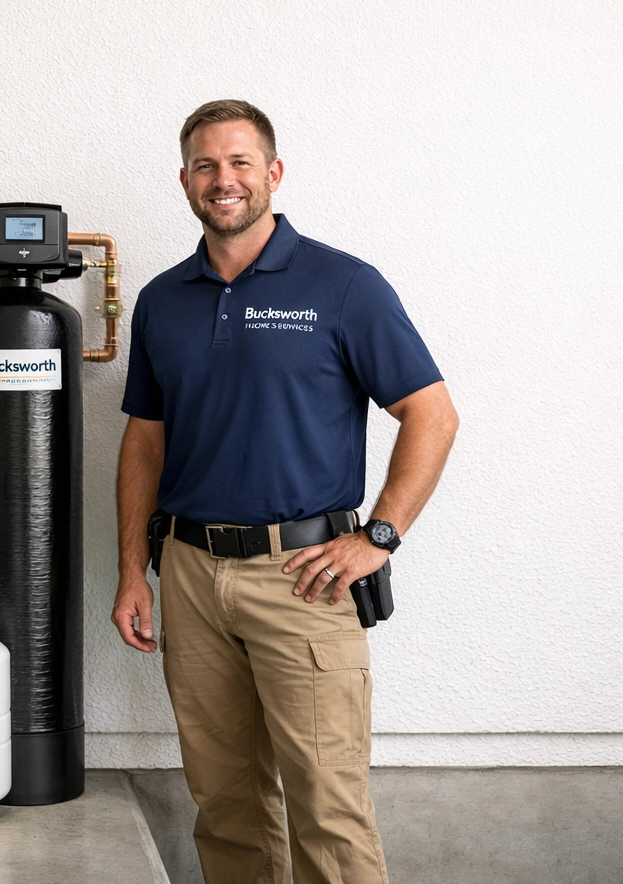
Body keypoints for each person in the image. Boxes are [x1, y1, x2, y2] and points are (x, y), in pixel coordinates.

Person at [111, 100, 459, 884]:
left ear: (272, 173)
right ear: (185, 181)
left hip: (304, 578)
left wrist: (379, 536)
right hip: (193, 575)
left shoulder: (343, 286)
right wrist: (134, 571)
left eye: (239, 163)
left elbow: (431, 414)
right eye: (205, 165)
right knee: (227, 808)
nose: (222, 179)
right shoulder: (164, 300)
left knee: (326, 810)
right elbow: (145, 441)